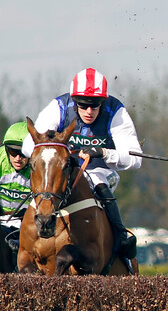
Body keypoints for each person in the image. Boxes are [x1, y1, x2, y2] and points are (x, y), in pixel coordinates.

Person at [22, 68, 142, 259]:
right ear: (74, 100)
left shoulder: (116, 111)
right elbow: (29, 145)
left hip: (100, 172)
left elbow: (135, 159)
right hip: (63, 169)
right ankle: (20, 231)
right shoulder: (58, 107)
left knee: (97, 181)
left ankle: (121, 236)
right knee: (46, 186)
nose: (89, 111)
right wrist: (61, 153)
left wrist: (104, 152)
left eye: (95, 106)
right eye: (83, 105)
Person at [0, 122, 32, 270]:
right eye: (13, 152)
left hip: (28, 223)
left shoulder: (39, 166)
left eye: (23, 154)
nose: (18, 158)